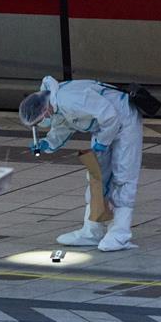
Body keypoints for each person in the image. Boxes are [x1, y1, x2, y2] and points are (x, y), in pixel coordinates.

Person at [19, 76, 143, 251]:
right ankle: (92, 231)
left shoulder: (70, 99)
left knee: (123, 176)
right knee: (97, 177)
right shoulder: (57, 103)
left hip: (124, 121)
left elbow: (109, 116)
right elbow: (65, 124)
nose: (43, 123)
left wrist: (103, 142)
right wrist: (48, 143)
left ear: (44, 112)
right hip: (103, 127)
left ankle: (120, 235)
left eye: (40, 121)